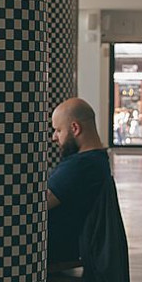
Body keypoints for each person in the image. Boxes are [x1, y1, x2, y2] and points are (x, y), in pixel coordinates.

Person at [47, 98, 113, 270]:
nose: (54, 137)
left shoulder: (82, 166)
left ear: (75, 128)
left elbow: (37, 204)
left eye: (58, 130)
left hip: (51, 250)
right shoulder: (97, 160)